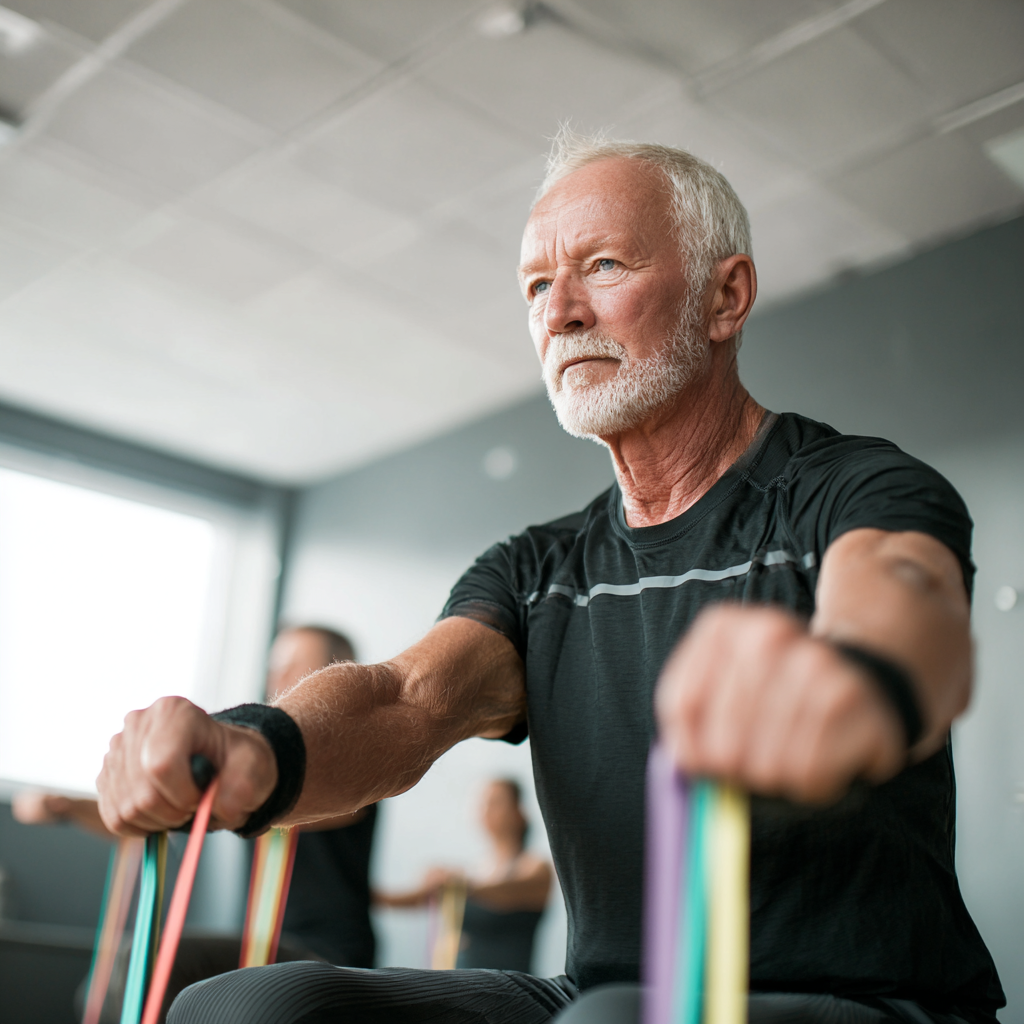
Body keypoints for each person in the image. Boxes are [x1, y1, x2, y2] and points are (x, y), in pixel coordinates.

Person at [95, 131, 1004, 1024]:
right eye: (537, 286)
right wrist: (249, 749)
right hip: (602, 996)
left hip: (869, 998)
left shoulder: (854, 486)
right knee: (251, 1005)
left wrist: (856, 676)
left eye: (603, 266)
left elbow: (901, 596)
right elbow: (406, 701)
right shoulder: (538, 570)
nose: (559, 312)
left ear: (725, 297)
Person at [14, 625, 376, 1020]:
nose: (279, 679)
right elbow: (158, 821)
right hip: (262, 942)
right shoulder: (261, 766)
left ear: (336, 675)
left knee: (154, 964)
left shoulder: (354, 769)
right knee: (106, 988)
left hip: (329, 953)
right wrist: (68, 806)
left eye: (296, 667)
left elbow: (300, 803)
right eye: (276, 668)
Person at [376, 778, 552, 973]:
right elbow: (420, 898)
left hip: (511, 990)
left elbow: (509, 890)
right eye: (483, 803)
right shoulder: (475, 870)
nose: (485, 810)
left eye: (495, 802)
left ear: (519, 811)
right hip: (463, 988)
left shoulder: (534, 866)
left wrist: (460, 884)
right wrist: (361, 894)